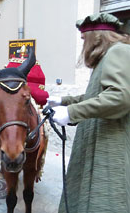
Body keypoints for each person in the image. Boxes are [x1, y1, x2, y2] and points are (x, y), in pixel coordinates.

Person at [47, 13, 130, 212]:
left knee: (104, 200)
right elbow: (96, 95)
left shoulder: (119, 52)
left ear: (97, 37)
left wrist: (71, 112)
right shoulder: (107, 58)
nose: (83, 44)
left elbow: (120, 97)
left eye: (84, 39)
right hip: (96, 142)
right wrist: (63, 101)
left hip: (109, 147)